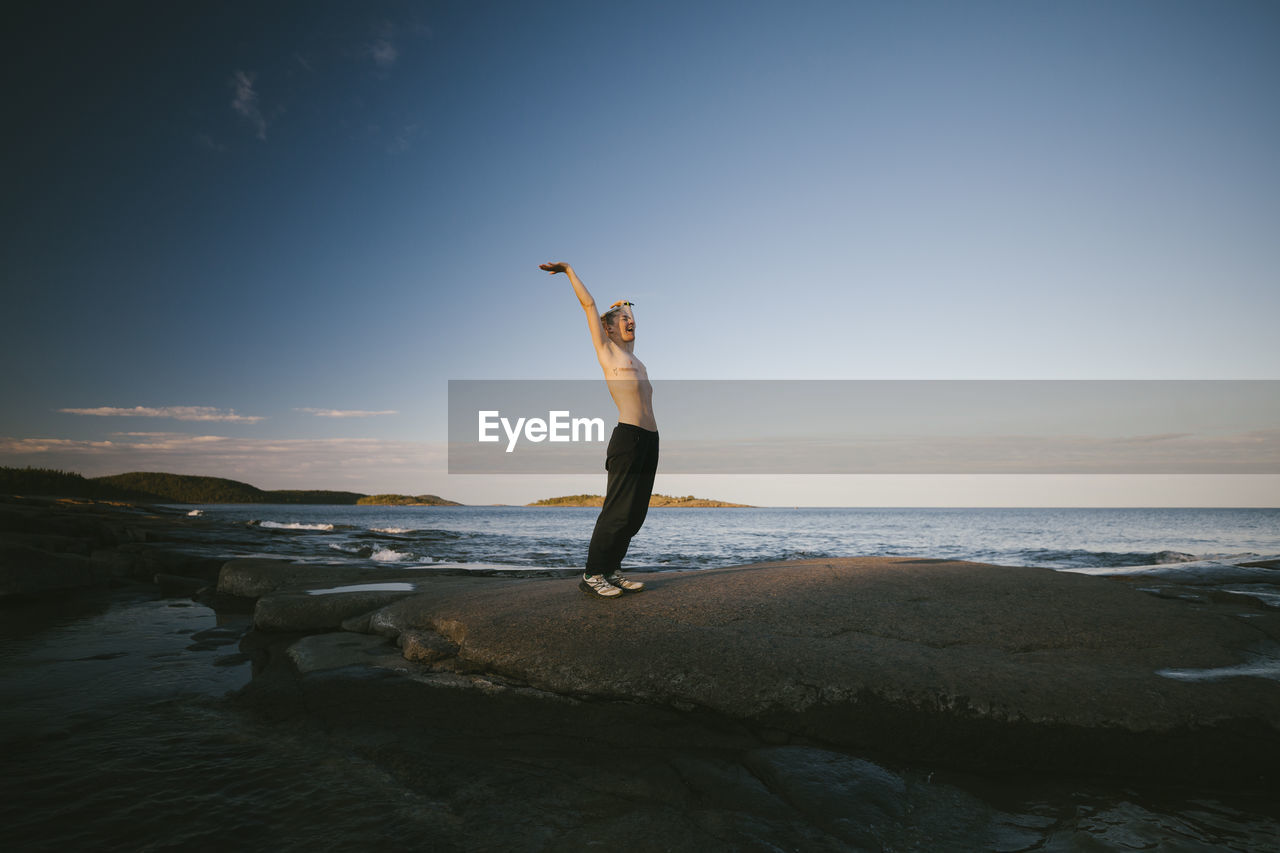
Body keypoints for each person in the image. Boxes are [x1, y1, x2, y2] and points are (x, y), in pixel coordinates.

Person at [539, 261, 657, 598]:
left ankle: (612, 569)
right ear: (608, 329)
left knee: (636, 513)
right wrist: (569, 271)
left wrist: (626, 305)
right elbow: (589, 305)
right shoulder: (608, 354)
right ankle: (592, 574)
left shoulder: (637, 359)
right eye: (622, 320)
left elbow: (630, 316)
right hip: (628, 438)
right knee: (617, 510)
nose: (629, 322)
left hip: (651, 439)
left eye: (630, 319)